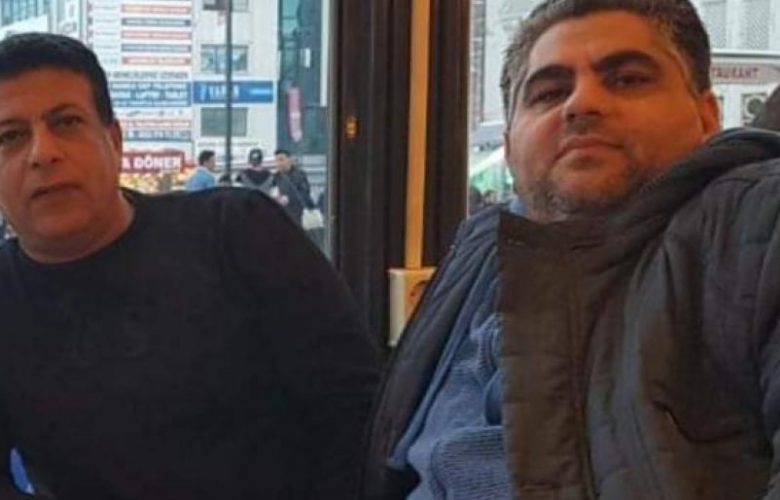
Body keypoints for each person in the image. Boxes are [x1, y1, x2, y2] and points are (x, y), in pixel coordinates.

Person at [364, 1, 780, 499]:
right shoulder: (478, 255)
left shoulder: (756, 220)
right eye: (549, 93)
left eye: (627, 79)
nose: (581, 104)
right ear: (511, 145)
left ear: (707, 115)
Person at [0, 33, 380, 500]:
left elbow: (357, 412)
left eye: (66, 122)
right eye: (10, 136)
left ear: (114, 141)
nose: (42, 153)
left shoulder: (237, 232)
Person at [271, 149, 316, 226]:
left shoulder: (299, 175)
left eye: (281, 160)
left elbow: (305, 193)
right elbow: (273, 192)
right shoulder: (276, 177)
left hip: (298, 215)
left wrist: (288, 198)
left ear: (289, 159)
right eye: (276, 160)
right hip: (282, 215)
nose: (279, 163)